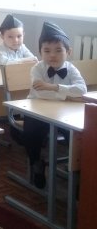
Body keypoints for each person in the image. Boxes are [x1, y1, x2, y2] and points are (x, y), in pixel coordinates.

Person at [23, 22, 87, 188]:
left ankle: (78, 170)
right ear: (40, 52)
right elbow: (40, 93)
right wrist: (68, 96)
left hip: (65, 114)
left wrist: (54, 87)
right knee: (31, 132)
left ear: (68, 52)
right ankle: (36, 162)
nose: (52, 55)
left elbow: (82, 90)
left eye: (58, 50)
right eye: (47, 51)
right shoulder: (37, 69)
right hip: (37, 112)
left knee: (78, 133)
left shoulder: (71, 69)